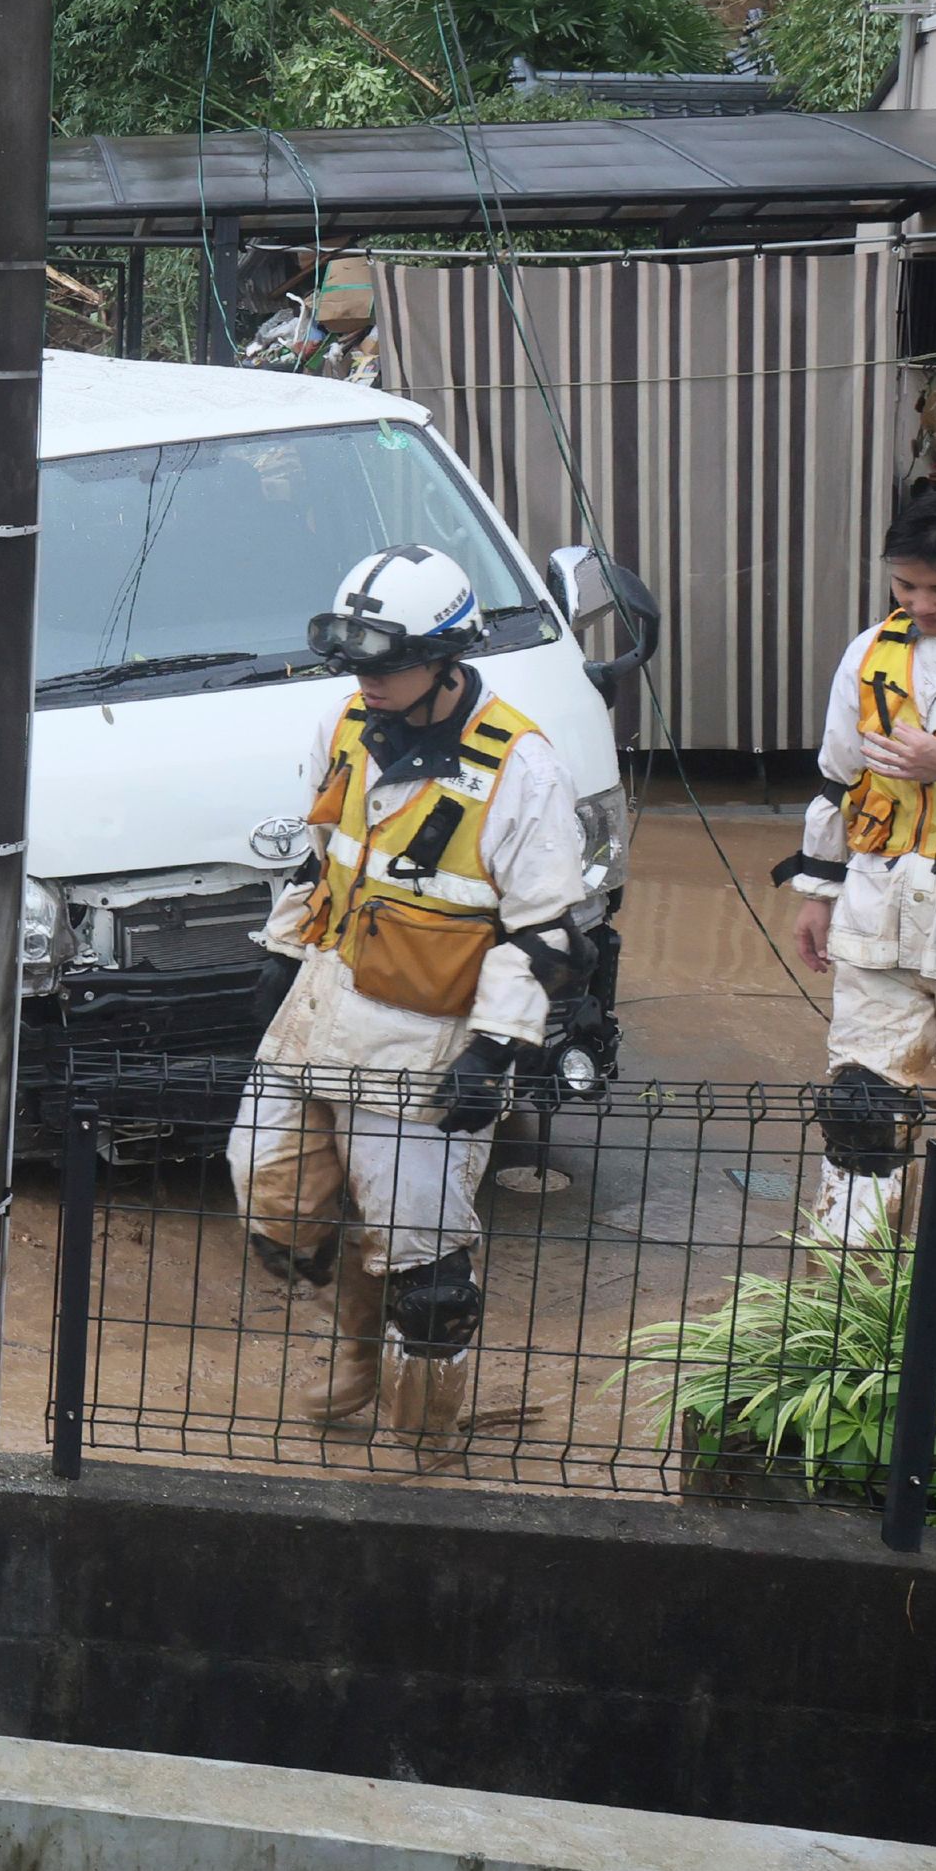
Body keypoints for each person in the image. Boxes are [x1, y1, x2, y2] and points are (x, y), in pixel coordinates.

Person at [235, 545, 594, 1442]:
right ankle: (355, 1339)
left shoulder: (522, 770)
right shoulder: (344, 725)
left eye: (388, 664)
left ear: (446, 654)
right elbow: (327, 861)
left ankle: (424, 1435)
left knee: (425, 1266)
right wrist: (283, 956)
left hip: (428, 1039)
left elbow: (547, 934)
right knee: (273, 1207)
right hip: (320, 1009)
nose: (369, 682)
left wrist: (497, 1049)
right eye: (357, 664)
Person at [783, 484, 936, 1243]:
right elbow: (839, 779)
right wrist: (819, 892)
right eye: (905, 584)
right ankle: (846, 1312)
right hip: (880, 925)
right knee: (860, 1114)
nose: (921, 603)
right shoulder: (874, 652)